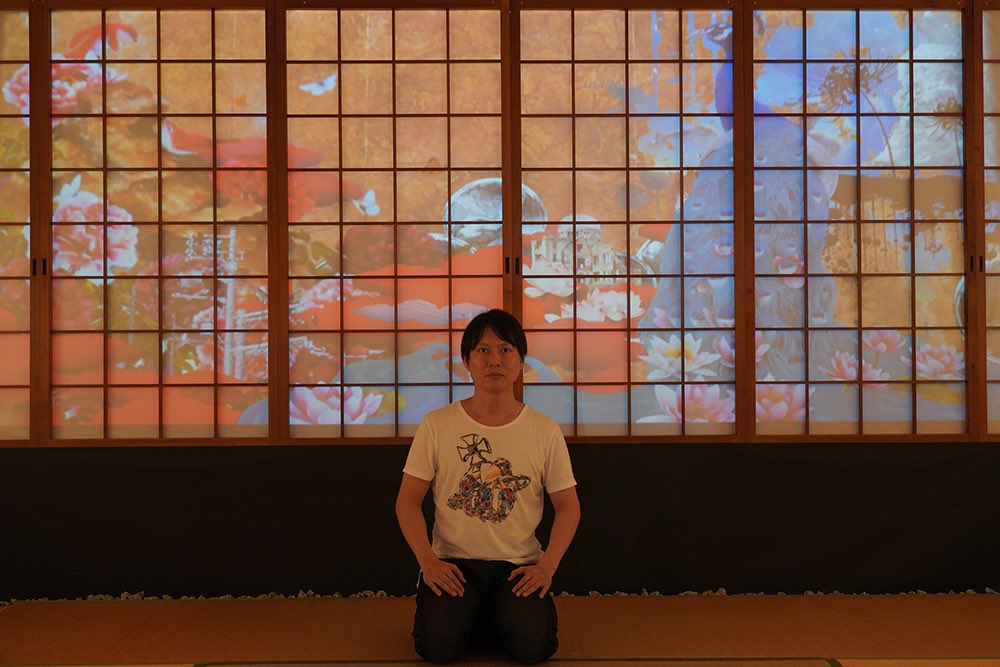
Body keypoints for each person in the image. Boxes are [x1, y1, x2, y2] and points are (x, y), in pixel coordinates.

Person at [395, 309, 581, 665]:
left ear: (521, 361)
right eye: (483, 350)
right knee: (436, 648)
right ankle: (476, 615)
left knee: (534, 648)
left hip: (516, 566)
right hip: (454, 565)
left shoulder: (544, 430)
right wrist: (428, 562)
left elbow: (568, 505)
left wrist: (547, 566)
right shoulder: (437, 425)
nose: (494, 360)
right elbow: (407, 501)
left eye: (505, 350)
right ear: (467, 361)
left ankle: (490, 615)